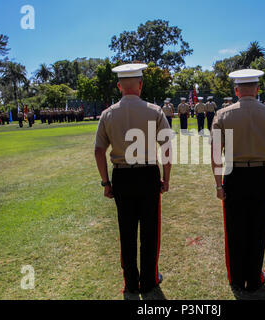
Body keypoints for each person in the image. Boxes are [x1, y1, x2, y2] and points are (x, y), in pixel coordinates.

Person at [94, 63, 172, 301]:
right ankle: (148, 281)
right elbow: (166, 149)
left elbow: (99, 151)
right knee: (150, 231)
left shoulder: (108, 113)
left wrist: (106, 182)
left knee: (126, 231)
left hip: (122, 176)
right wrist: (166, 179)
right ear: (140, 84)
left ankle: (130, 282)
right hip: (148, 175)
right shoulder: (155, 111)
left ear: (119, 86)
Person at [211, 69, 265, 300]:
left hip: (234, 175)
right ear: (257, 89)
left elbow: (217, 152)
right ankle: (254, 278)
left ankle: (236, 278)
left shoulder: (223, 115)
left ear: (236, 90)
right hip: (262, 174)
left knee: (235, 229)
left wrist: (218, 185)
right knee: (257, 229)